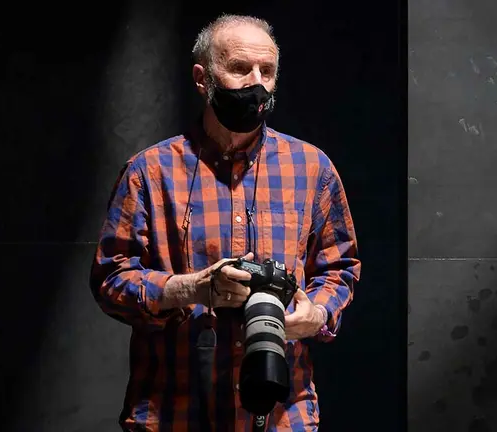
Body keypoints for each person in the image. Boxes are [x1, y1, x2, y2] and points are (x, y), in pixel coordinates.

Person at [89, 14, 361, 432]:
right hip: (173, 412)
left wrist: (318, 313)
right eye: (239, 68)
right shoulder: (150, 171)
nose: (257, 83)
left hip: (282, 417)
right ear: (203, 79)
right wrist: (190, 289)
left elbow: (338, 269)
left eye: (266, 71)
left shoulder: (312, 168)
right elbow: (110, 279)